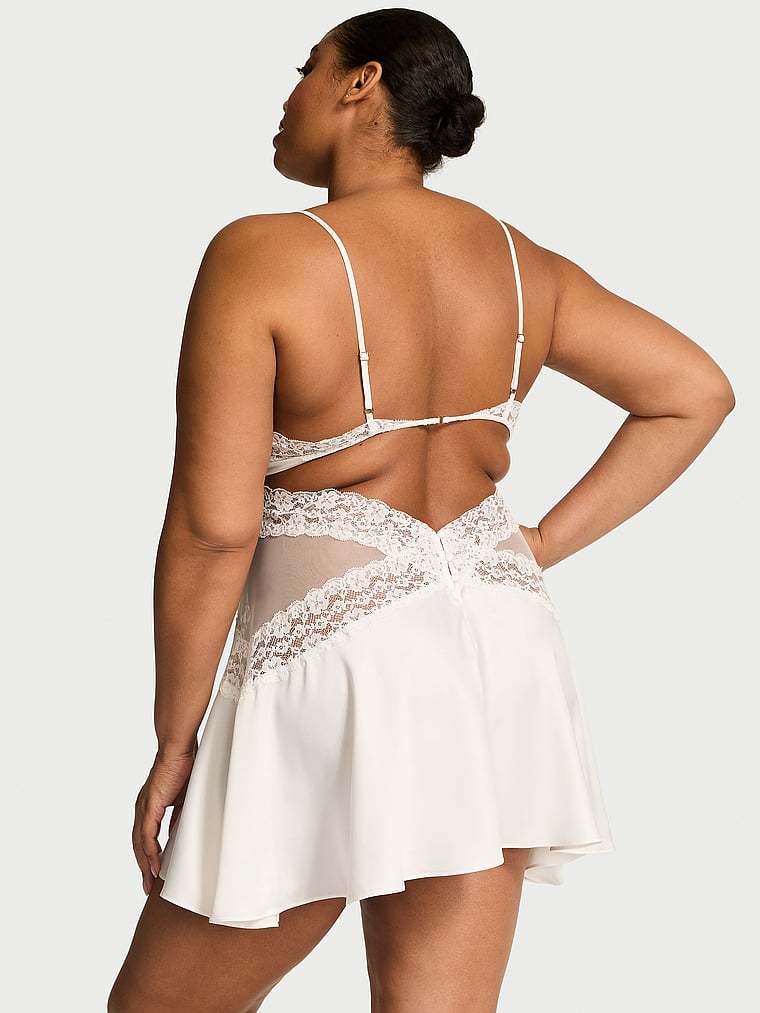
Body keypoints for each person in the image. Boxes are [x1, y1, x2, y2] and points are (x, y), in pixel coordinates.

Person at [108, 9, 735, 1012]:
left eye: (305, 68)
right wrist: (533, 545)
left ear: (360, 82)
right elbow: (693, 391)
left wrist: (174, 739)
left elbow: (213, 527)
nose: (286, 97)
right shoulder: (520, 263)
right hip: (502, 647)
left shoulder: (259, 253)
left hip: (339, 652)